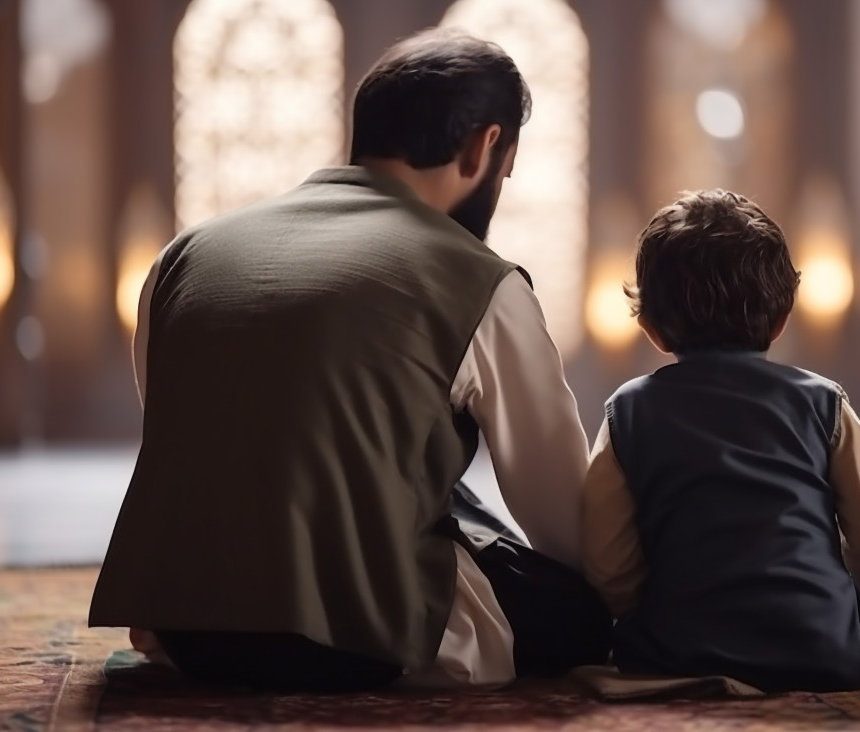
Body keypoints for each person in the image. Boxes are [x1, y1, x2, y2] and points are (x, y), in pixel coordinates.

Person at [89, 28, 609, 692]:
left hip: (189, 636)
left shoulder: (183, 256)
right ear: (486, 147)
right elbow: (564, 523)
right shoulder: (481, 280)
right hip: (361, 644)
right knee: (579, 617)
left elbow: (198, 438)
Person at [581, 189, 860, 693]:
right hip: (823, 646)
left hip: (677, 648)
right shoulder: (821, 403)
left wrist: (644, 607)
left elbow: (607, 562)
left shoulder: (627, 411)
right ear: (782, 321)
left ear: (650, 328)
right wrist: (857, 582)